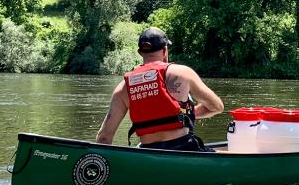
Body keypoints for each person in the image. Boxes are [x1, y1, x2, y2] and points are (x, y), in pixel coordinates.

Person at [95, 27, 224, 151]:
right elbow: (217, 107)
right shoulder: (182, 73)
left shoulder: (123, 87)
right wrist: (187, 114)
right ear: (165, 50)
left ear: (140, 53)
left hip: (148, 154)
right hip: (184, 149)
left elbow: (104, 137)